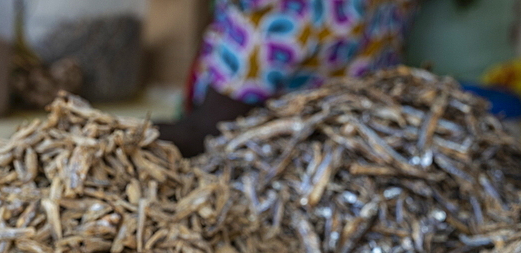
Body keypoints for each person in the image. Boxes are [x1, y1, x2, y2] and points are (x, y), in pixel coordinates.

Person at [157, 0, 419, 157]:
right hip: (361, 150)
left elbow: (207, 133)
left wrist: (120, 133)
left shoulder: (279, 12)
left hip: (275, 179)